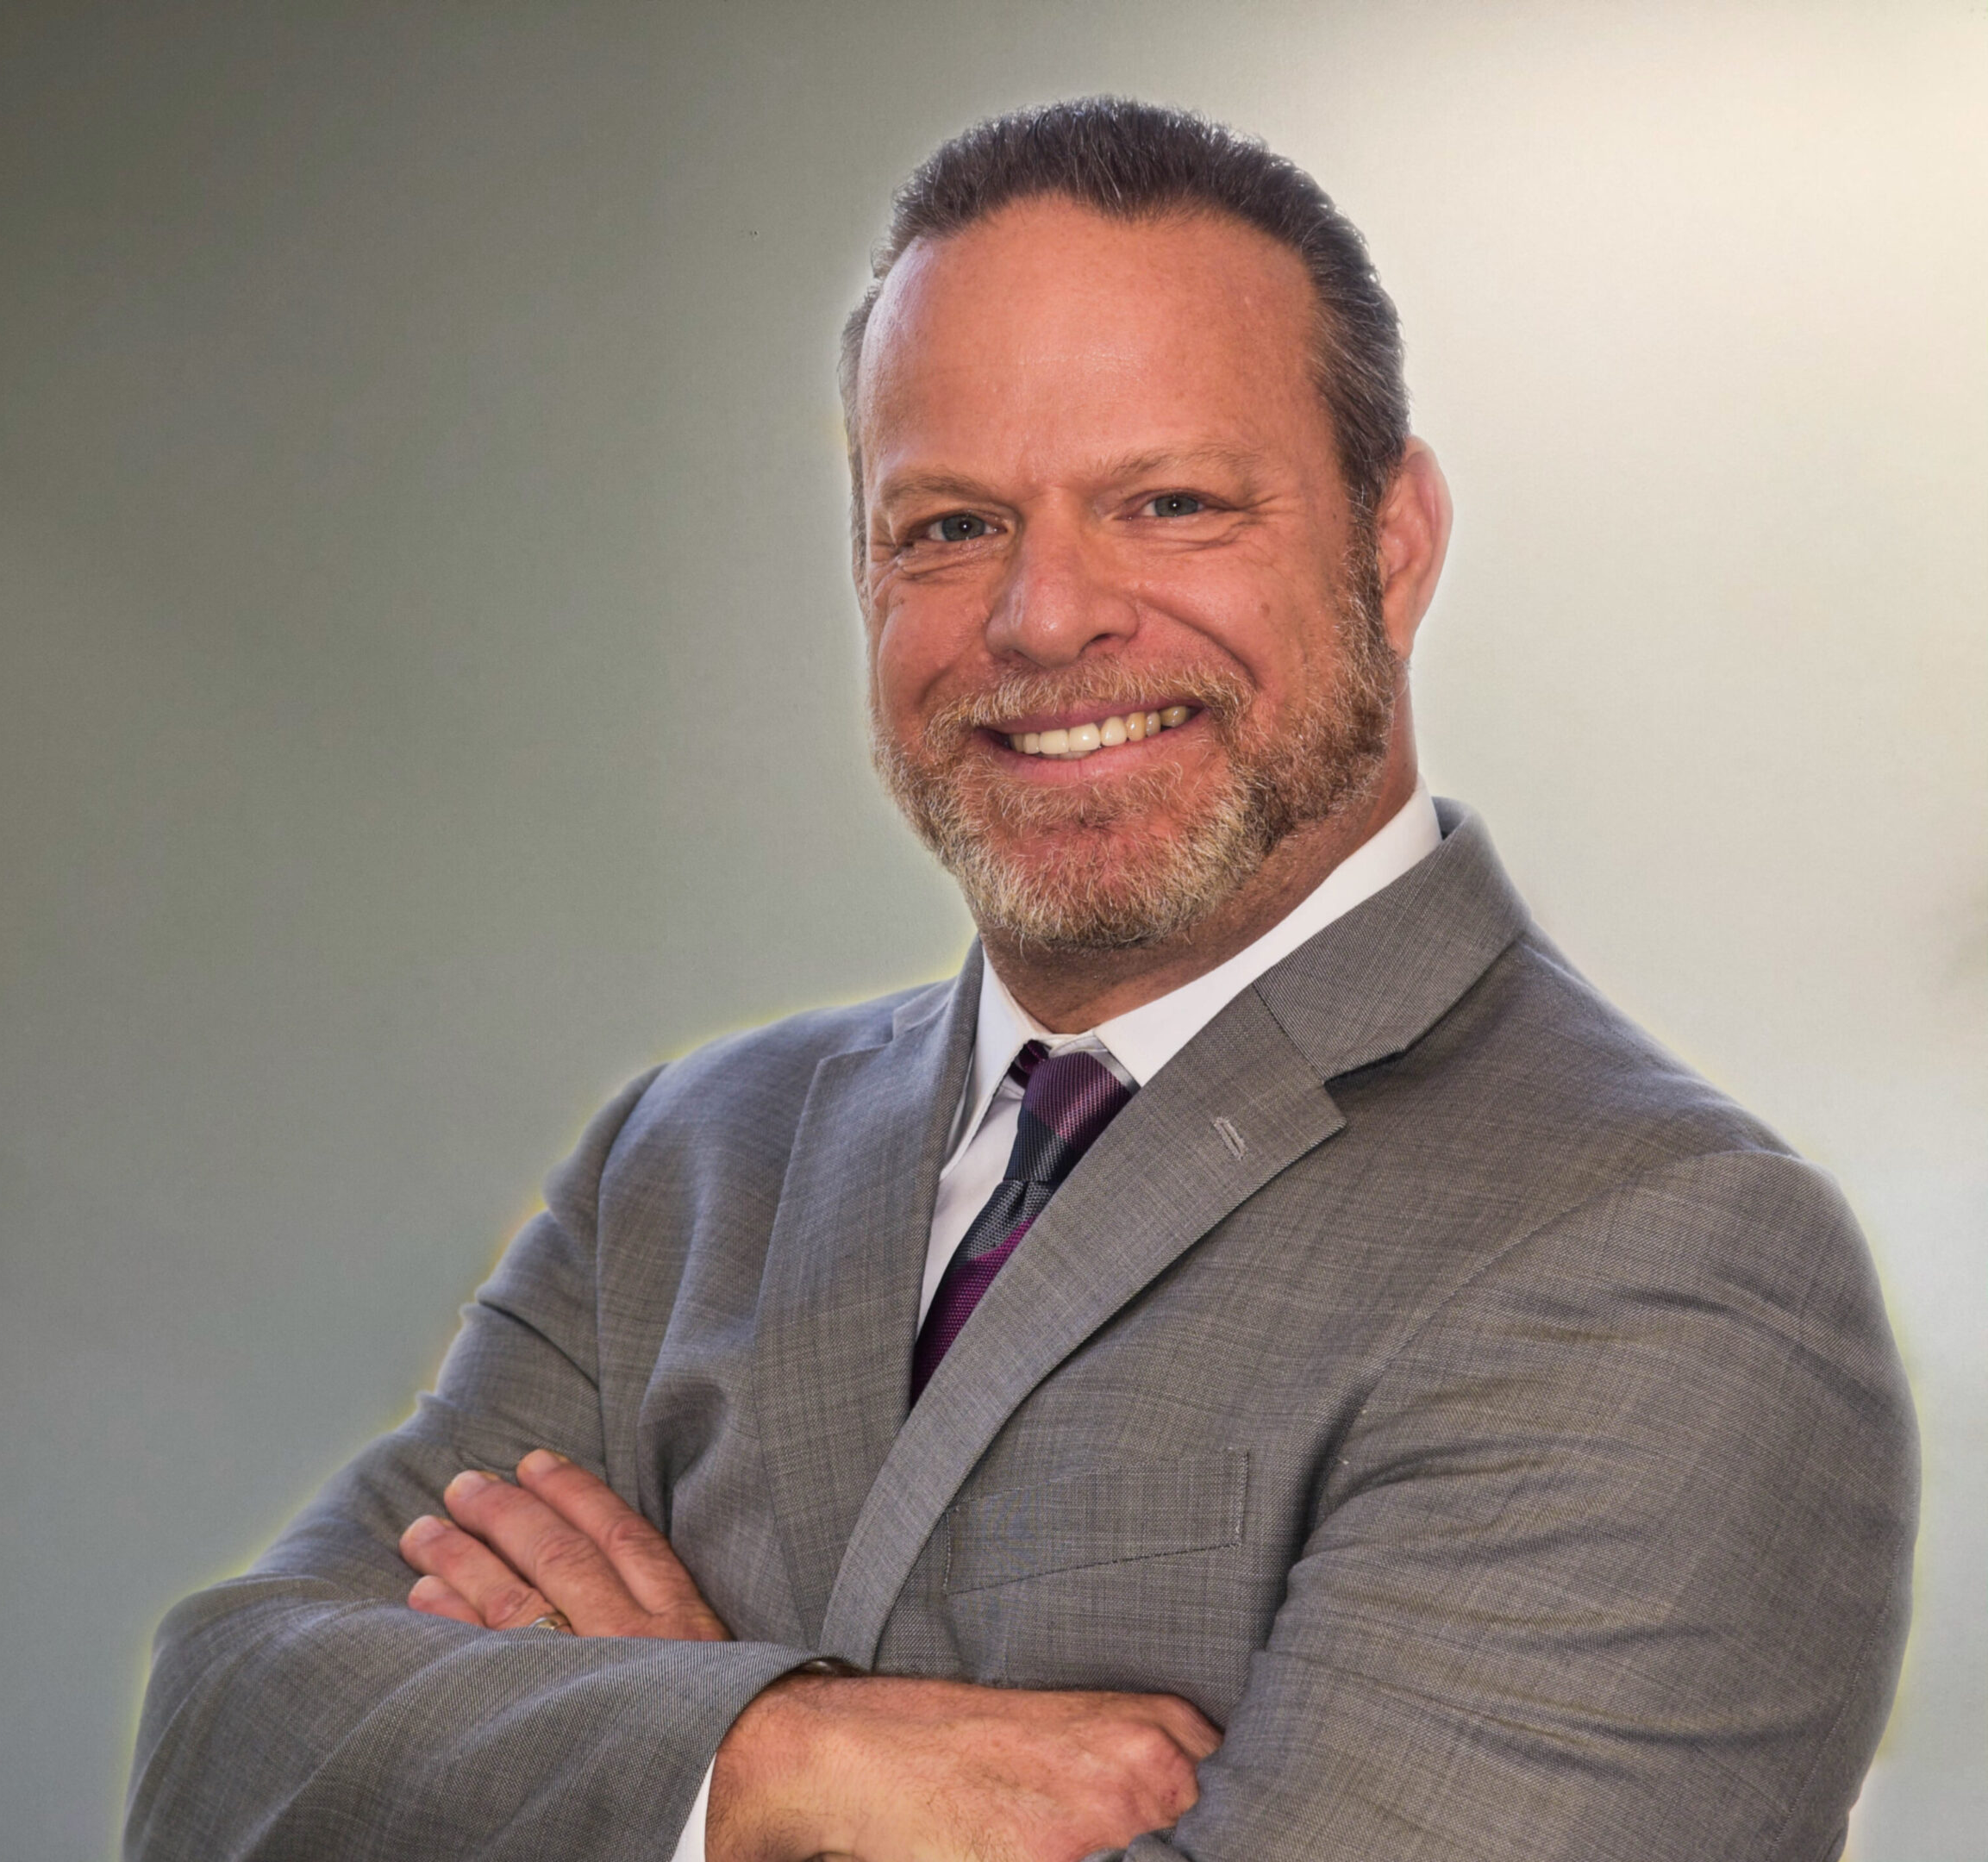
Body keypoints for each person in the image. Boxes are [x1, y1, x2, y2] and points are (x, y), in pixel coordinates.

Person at [125, 98, 1915, 1862]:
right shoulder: (687, 1162)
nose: (1046, 619)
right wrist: (770, 1760)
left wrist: (616, 1780)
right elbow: (229, 1762)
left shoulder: (1661, 1253)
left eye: (1171, 501)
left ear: (1394, 545)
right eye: (949, 526)